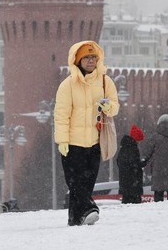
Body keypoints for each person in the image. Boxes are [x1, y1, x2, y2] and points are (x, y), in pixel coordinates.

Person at [54, 41, 119, 226]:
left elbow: (115, 106)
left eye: (93, 57)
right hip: (73, 144)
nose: (91, 61)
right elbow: (61, 115)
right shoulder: (68, 85)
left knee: (87, 183)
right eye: (86, 57)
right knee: (75, 183)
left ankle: (75, 219)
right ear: (78, 60)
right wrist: (62, 141)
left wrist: (108, 107)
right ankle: (90, 209)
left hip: (94, 142)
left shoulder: (105, 82)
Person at [117, 124, 145, 204]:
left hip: (125, 183)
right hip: (133, 184)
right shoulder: (133, 148)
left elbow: (119, 162)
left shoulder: (123, 147)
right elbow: (134, 164)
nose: (139, 142)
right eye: (139, 140)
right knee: (135, 205)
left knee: (126, 204)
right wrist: (142, 164)